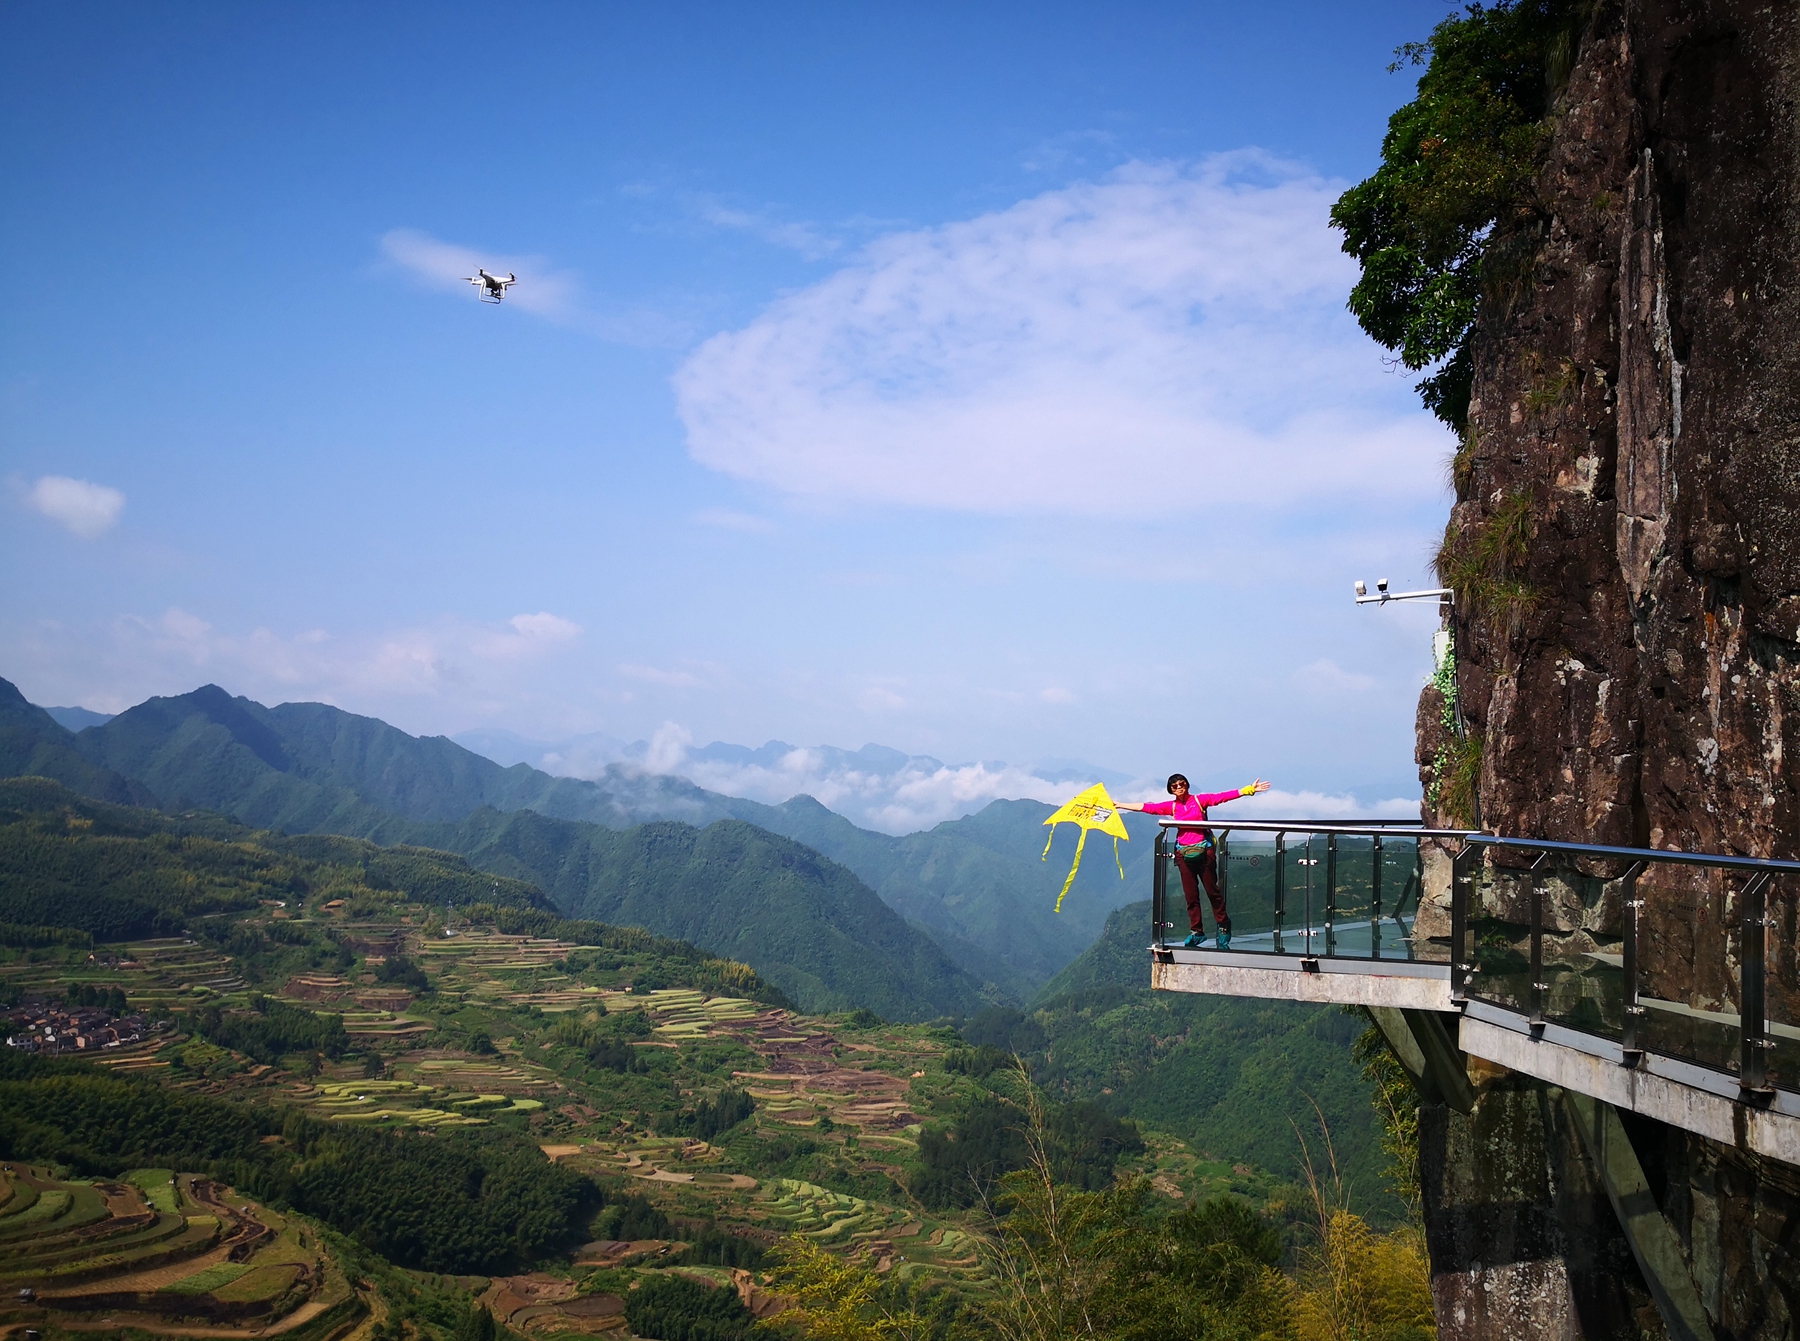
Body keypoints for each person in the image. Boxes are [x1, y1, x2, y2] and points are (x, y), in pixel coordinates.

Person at [1120, 774, 1271, 949]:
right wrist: (1120, 804)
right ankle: (1197, 931)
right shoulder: (1173, 807)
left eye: (1182, 783)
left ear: (1187, 785)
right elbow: (1148, 807)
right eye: (1175, 786)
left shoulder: (1199, 801)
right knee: (1191, 896)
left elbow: (1221, 797)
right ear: (1170, 790)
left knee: (1212, 891)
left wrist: (1248, 790)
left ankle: (1223, 925)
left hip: (1204, 851)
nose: (1179, 787)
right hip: (1183, 854)